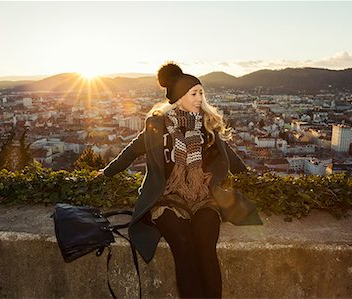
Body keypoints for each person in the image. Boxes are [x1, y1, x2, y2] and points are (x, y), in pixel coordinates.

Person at [96, 62, 262, 298]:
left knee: (205, 245)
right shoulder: (158, 126)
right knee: (182, 245)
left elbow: (228, 156)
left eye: (201, 93)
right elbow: (133, 151)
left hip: (204, 197)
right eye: (193, 93)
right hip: (167, 198)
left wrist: (250, 178)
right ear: (179, 97)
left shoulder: (206, 127)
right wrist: (108, 172)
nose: (199, 99)